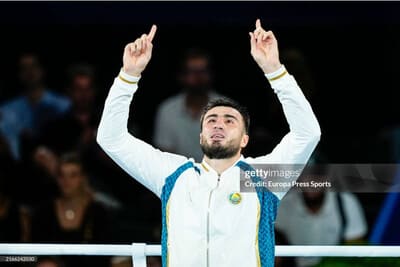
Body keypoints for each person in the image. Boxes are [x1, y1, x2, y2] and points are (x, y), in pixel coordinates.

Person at [97, 20, 321, 267]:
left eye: (229, 120)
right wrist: (128, 76)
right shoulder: (172, 175)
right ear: (201, 136)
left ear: (245, 139)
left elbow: (307, 133)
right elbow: (110, 138)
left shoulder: (261, 177)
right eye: (211, 120)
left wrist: (274, 70)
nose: (218, 124)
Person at [31, 152, 112, 267]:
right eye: (62, 175)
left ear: (83, 178)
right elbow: (33, 253)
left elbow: (104, 256)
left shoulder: (98, 212)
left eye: (73, 175)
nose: (66, 181)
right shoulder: (44, 212)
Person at [153, 48, 221, 162]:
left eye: (203, 71)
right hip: (180, 176)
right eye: (192, 71)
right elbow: (164, 158)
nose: (198, 77)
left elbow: (238, 156)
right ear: (181, 76)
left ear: (211, 74)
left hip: (220, 176)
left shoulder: (228, 109)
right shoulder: (167, 110)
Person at [0, 53, 70, 160]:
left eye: (34, 66)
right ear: (19, 74)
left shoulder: (63, 105)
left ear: (42, 70)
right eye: (24, 68)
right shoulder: (6, 110)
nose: (30, 72)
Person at [275, 191, 367, 267]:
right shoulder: (282, 205)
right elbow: (272, 250)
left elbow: (355, 252)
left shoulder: (345, 201)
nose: (312, 182)